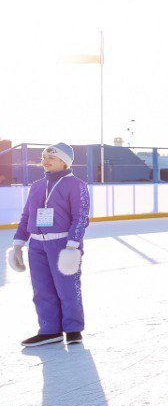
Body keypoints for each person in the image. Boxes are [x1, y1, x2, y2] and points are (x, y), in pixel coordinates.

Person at [7, 143, 92, 348]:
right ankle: (49, 330)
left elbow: (80, 218)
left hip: (62, 245)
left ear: (64, 161)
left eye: (50, 158)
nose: (44, 161)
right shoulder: (37, 185)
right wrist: (19, 244)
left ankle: (73, 329)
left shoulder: (76, 185)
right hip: (37, 246)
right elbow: (27, 216)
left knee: (67, 288)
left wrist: (72, 246)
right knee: (42, 290)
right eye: (43, 157)